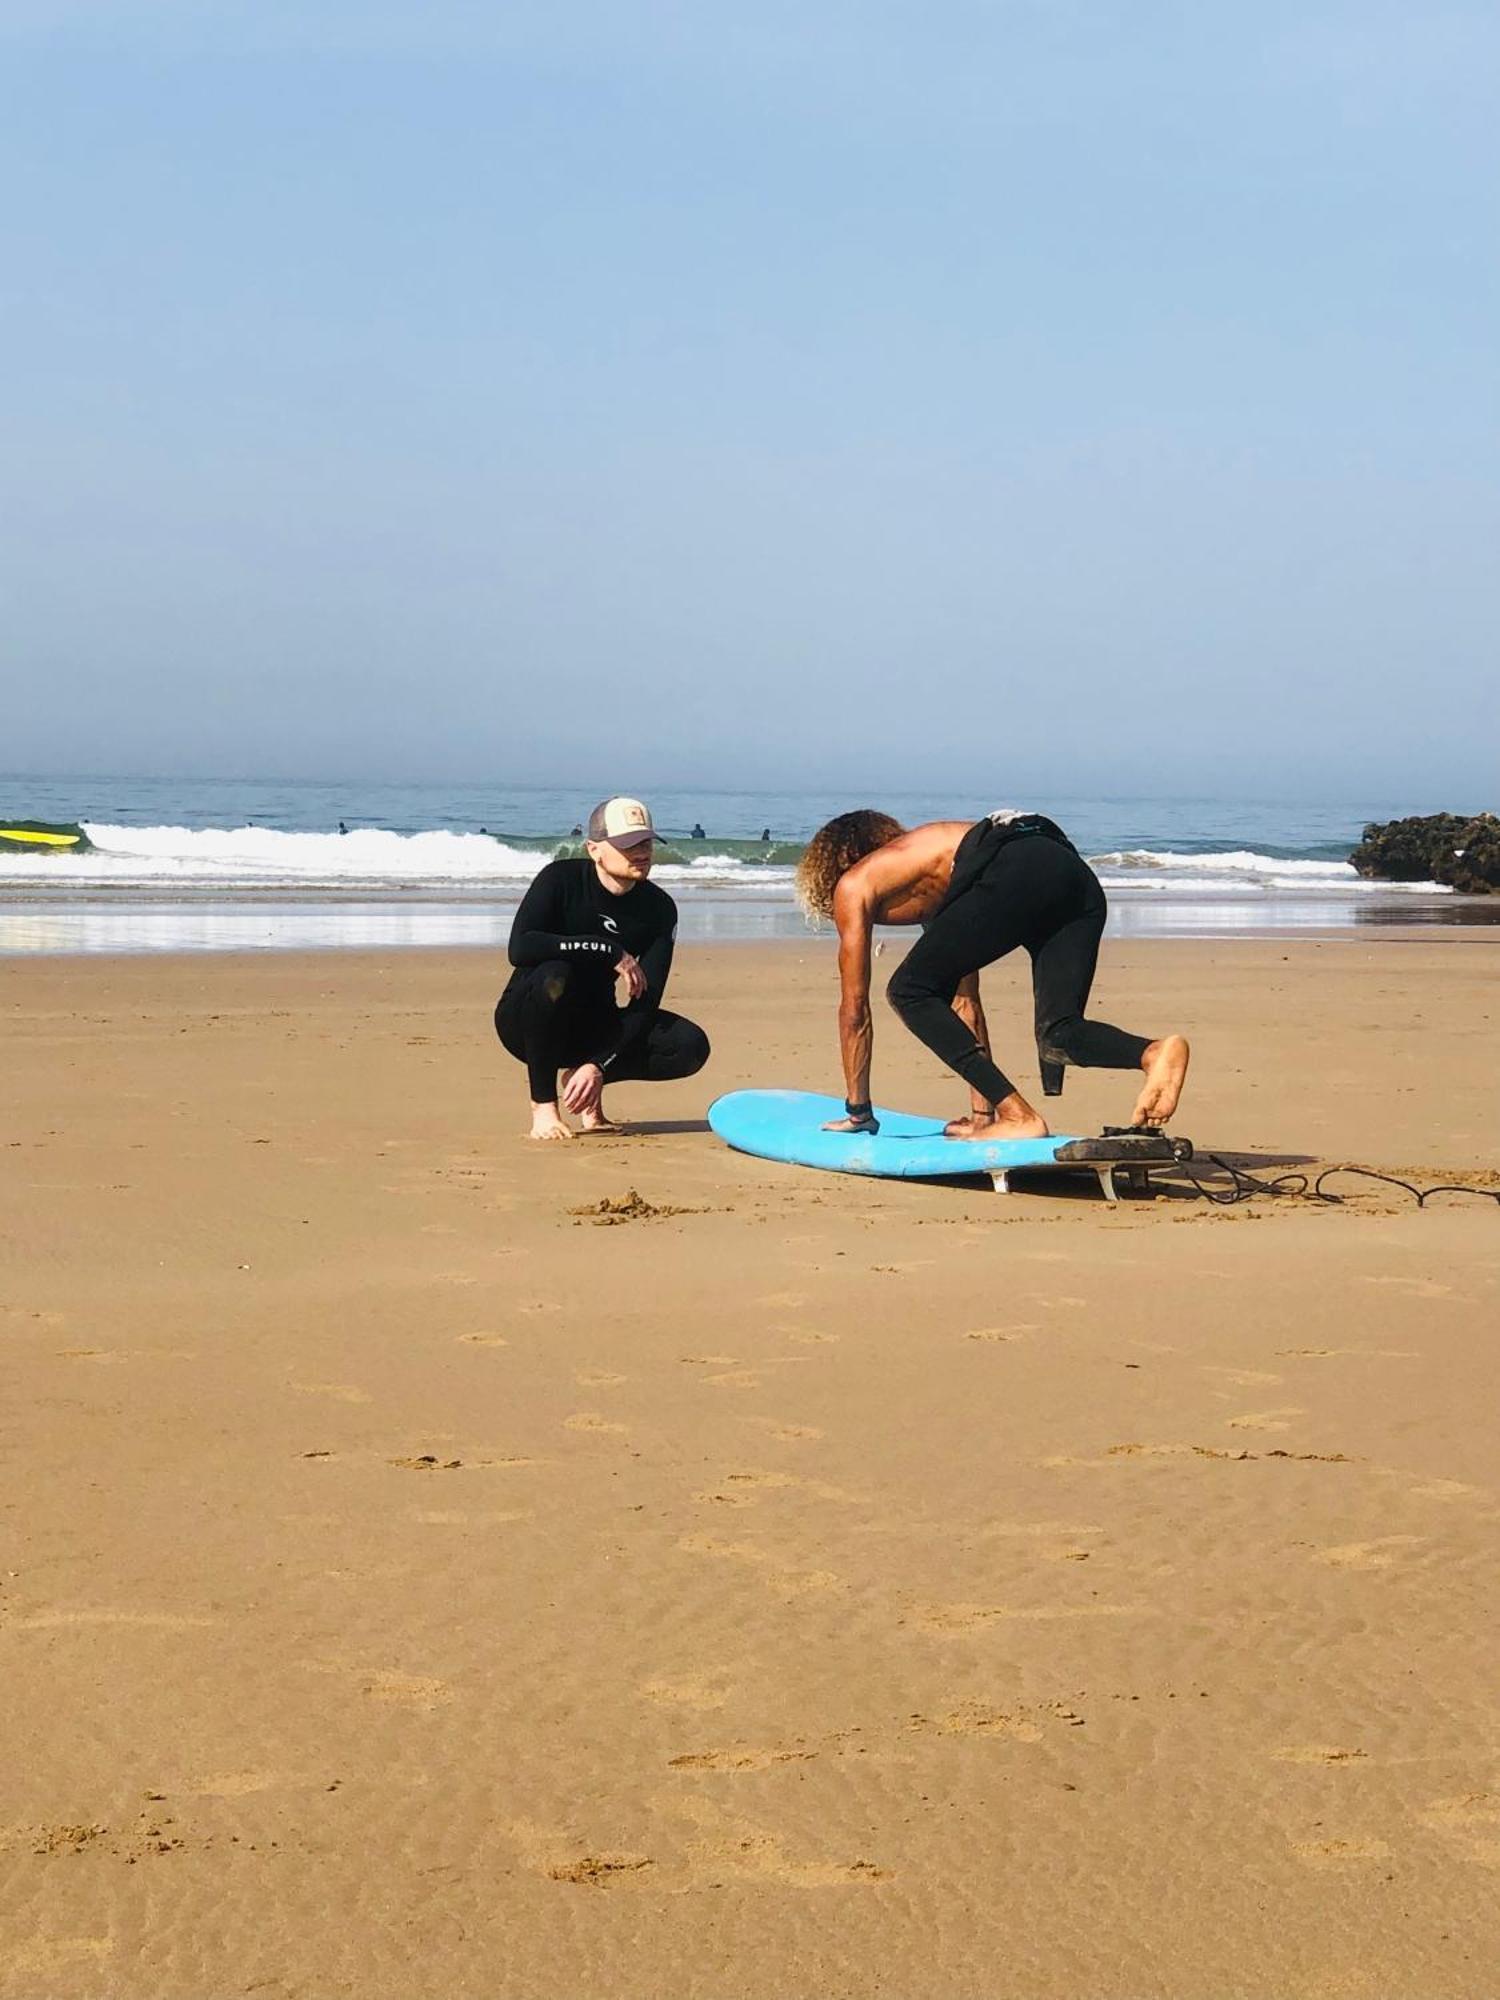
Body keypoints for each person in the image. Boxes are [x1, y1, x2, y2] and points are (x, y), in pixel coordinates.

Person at [795, 808, 1189, 1139]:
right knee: (1059, 1034)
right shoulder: (935, 866)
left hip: (1015, 864)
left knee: (908, 991)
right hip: (1070, 871)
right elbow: (965, 1004)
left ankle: (1020, 1116)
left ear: (844, 859)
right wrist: (981, 1118)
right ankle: (1154, 1053)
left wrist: (859, 1111)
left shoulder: (855, 882)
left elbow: (854, 1009)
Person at [495, 796, 710, 1139]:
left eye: (646, 843)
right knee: (557, 975)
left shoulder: (659, 908)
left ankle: (583, 1080)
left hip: (594, 1024)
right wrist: (608, 950)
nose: (641, 852)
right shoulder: (559, 880)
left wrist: (599, 1063)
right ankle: (544, 1107)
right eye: (628, 845)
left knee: (690, 1045)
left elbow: (645, 1002)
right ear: (594, 849)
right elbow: (520, 947)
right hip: (528, 1019)